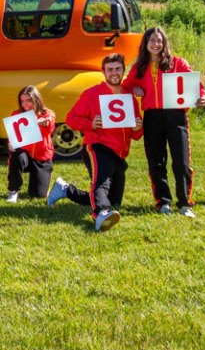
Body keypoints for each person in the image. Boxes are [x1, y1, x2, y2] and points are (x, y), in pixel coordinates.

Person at [47, 54, 143, 231]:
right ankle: (100, 214)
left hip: (119, 153)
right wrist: (91, 124)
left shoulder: (128, 96)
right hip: (97, 146)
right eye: (110, 69)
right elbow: (71, 119)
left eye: (118, 69)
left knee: (113, 200)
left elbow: (136, 135)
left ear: (123, 70)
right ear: (103, 72)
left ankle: (65, 190)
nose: (114, 73)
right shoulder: (92, 94)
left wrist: (138, 127)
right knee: (101, 184)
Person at [122, 27, 205, 218]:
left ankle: (185, 203)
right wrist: (135, 89)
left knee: (182, 162)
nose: (155, 44)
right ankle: (163, 202)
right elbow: (125, 87)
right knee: (156, 162)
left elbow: (197, 87)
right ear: (145, 43)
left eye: (159, 40)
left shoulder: (178, 62)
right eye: (151, 40)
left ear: (164, 43)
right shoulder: (139, 66)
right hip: (152, 117)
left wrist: (202, 97)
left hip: (176, 116)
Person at [5, 86, 56, 203]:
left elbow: (50, 121)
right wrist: (10, 144)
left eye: (28, 100)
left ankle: (43, 181)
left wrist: (44, 122)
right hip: (25, 157)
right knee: (17, 155)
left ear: (36, 100)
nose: (25, 104)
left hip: (42, 159)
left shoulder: (47, 113)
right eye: (22, 101)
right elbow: (12, 136)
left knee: (38, 195)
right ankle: (13, 191)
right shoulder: (16, 114)